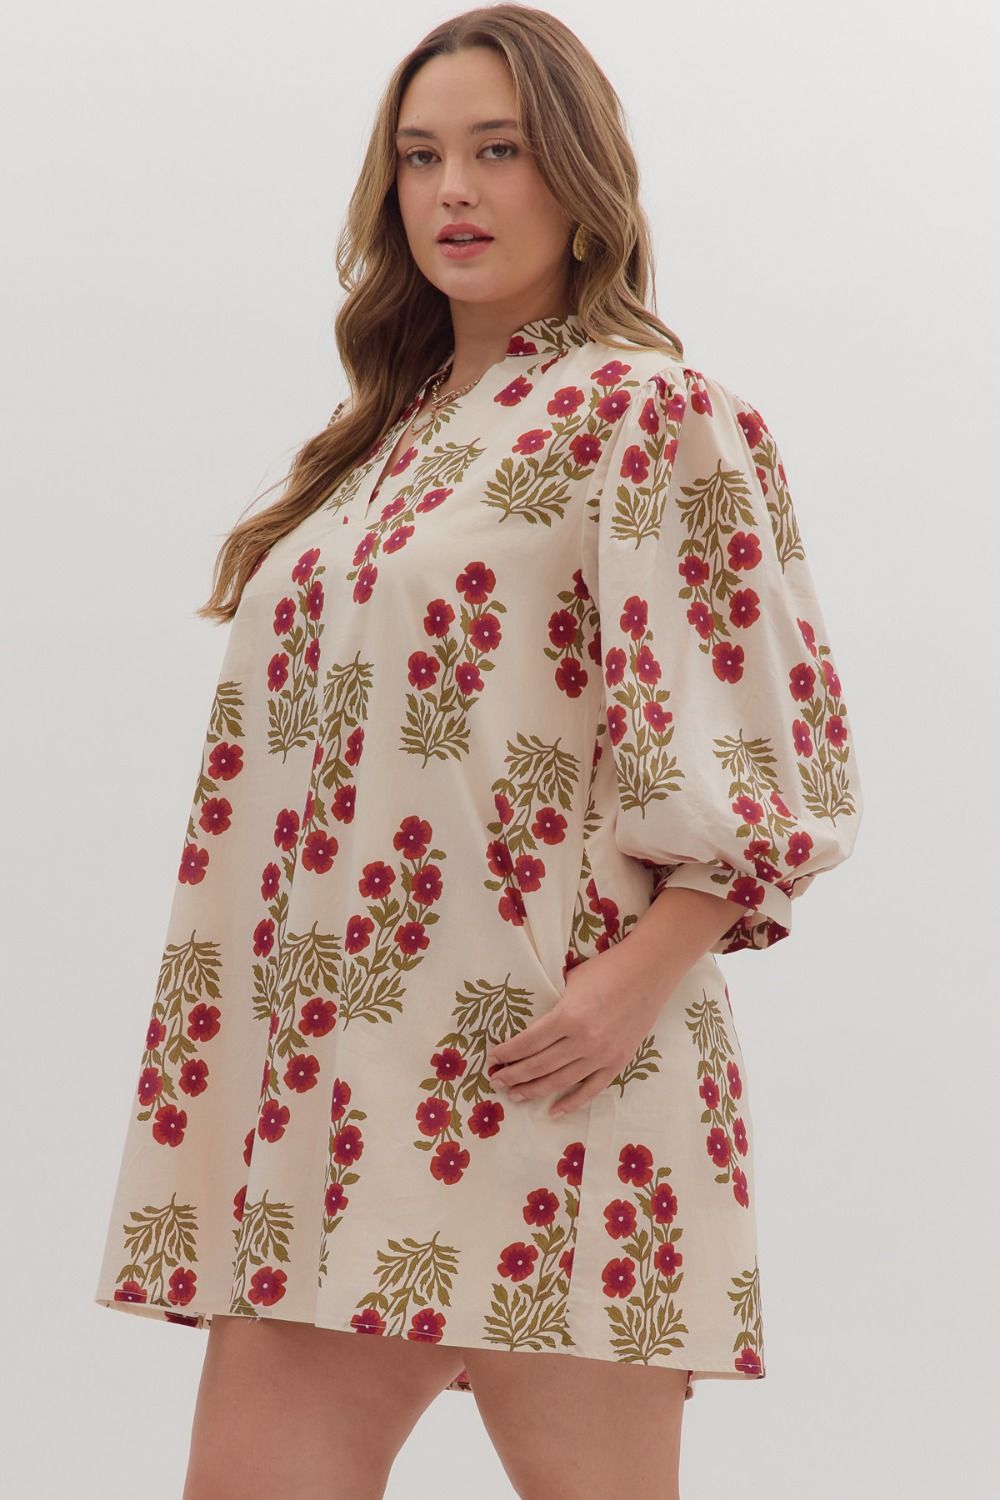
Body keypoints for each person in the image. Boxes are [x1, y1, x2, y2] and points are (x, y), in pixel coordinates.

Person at [93, 7, 864, 1498]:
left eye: (498, 151)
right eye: (420, 156)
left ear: (577, 176)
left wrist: (631, 985)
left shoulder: (650, 413)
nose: (452, 190)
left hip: (552, 1085)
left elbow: (766, 745)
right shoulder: (377, 446)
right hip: (326, 1101)